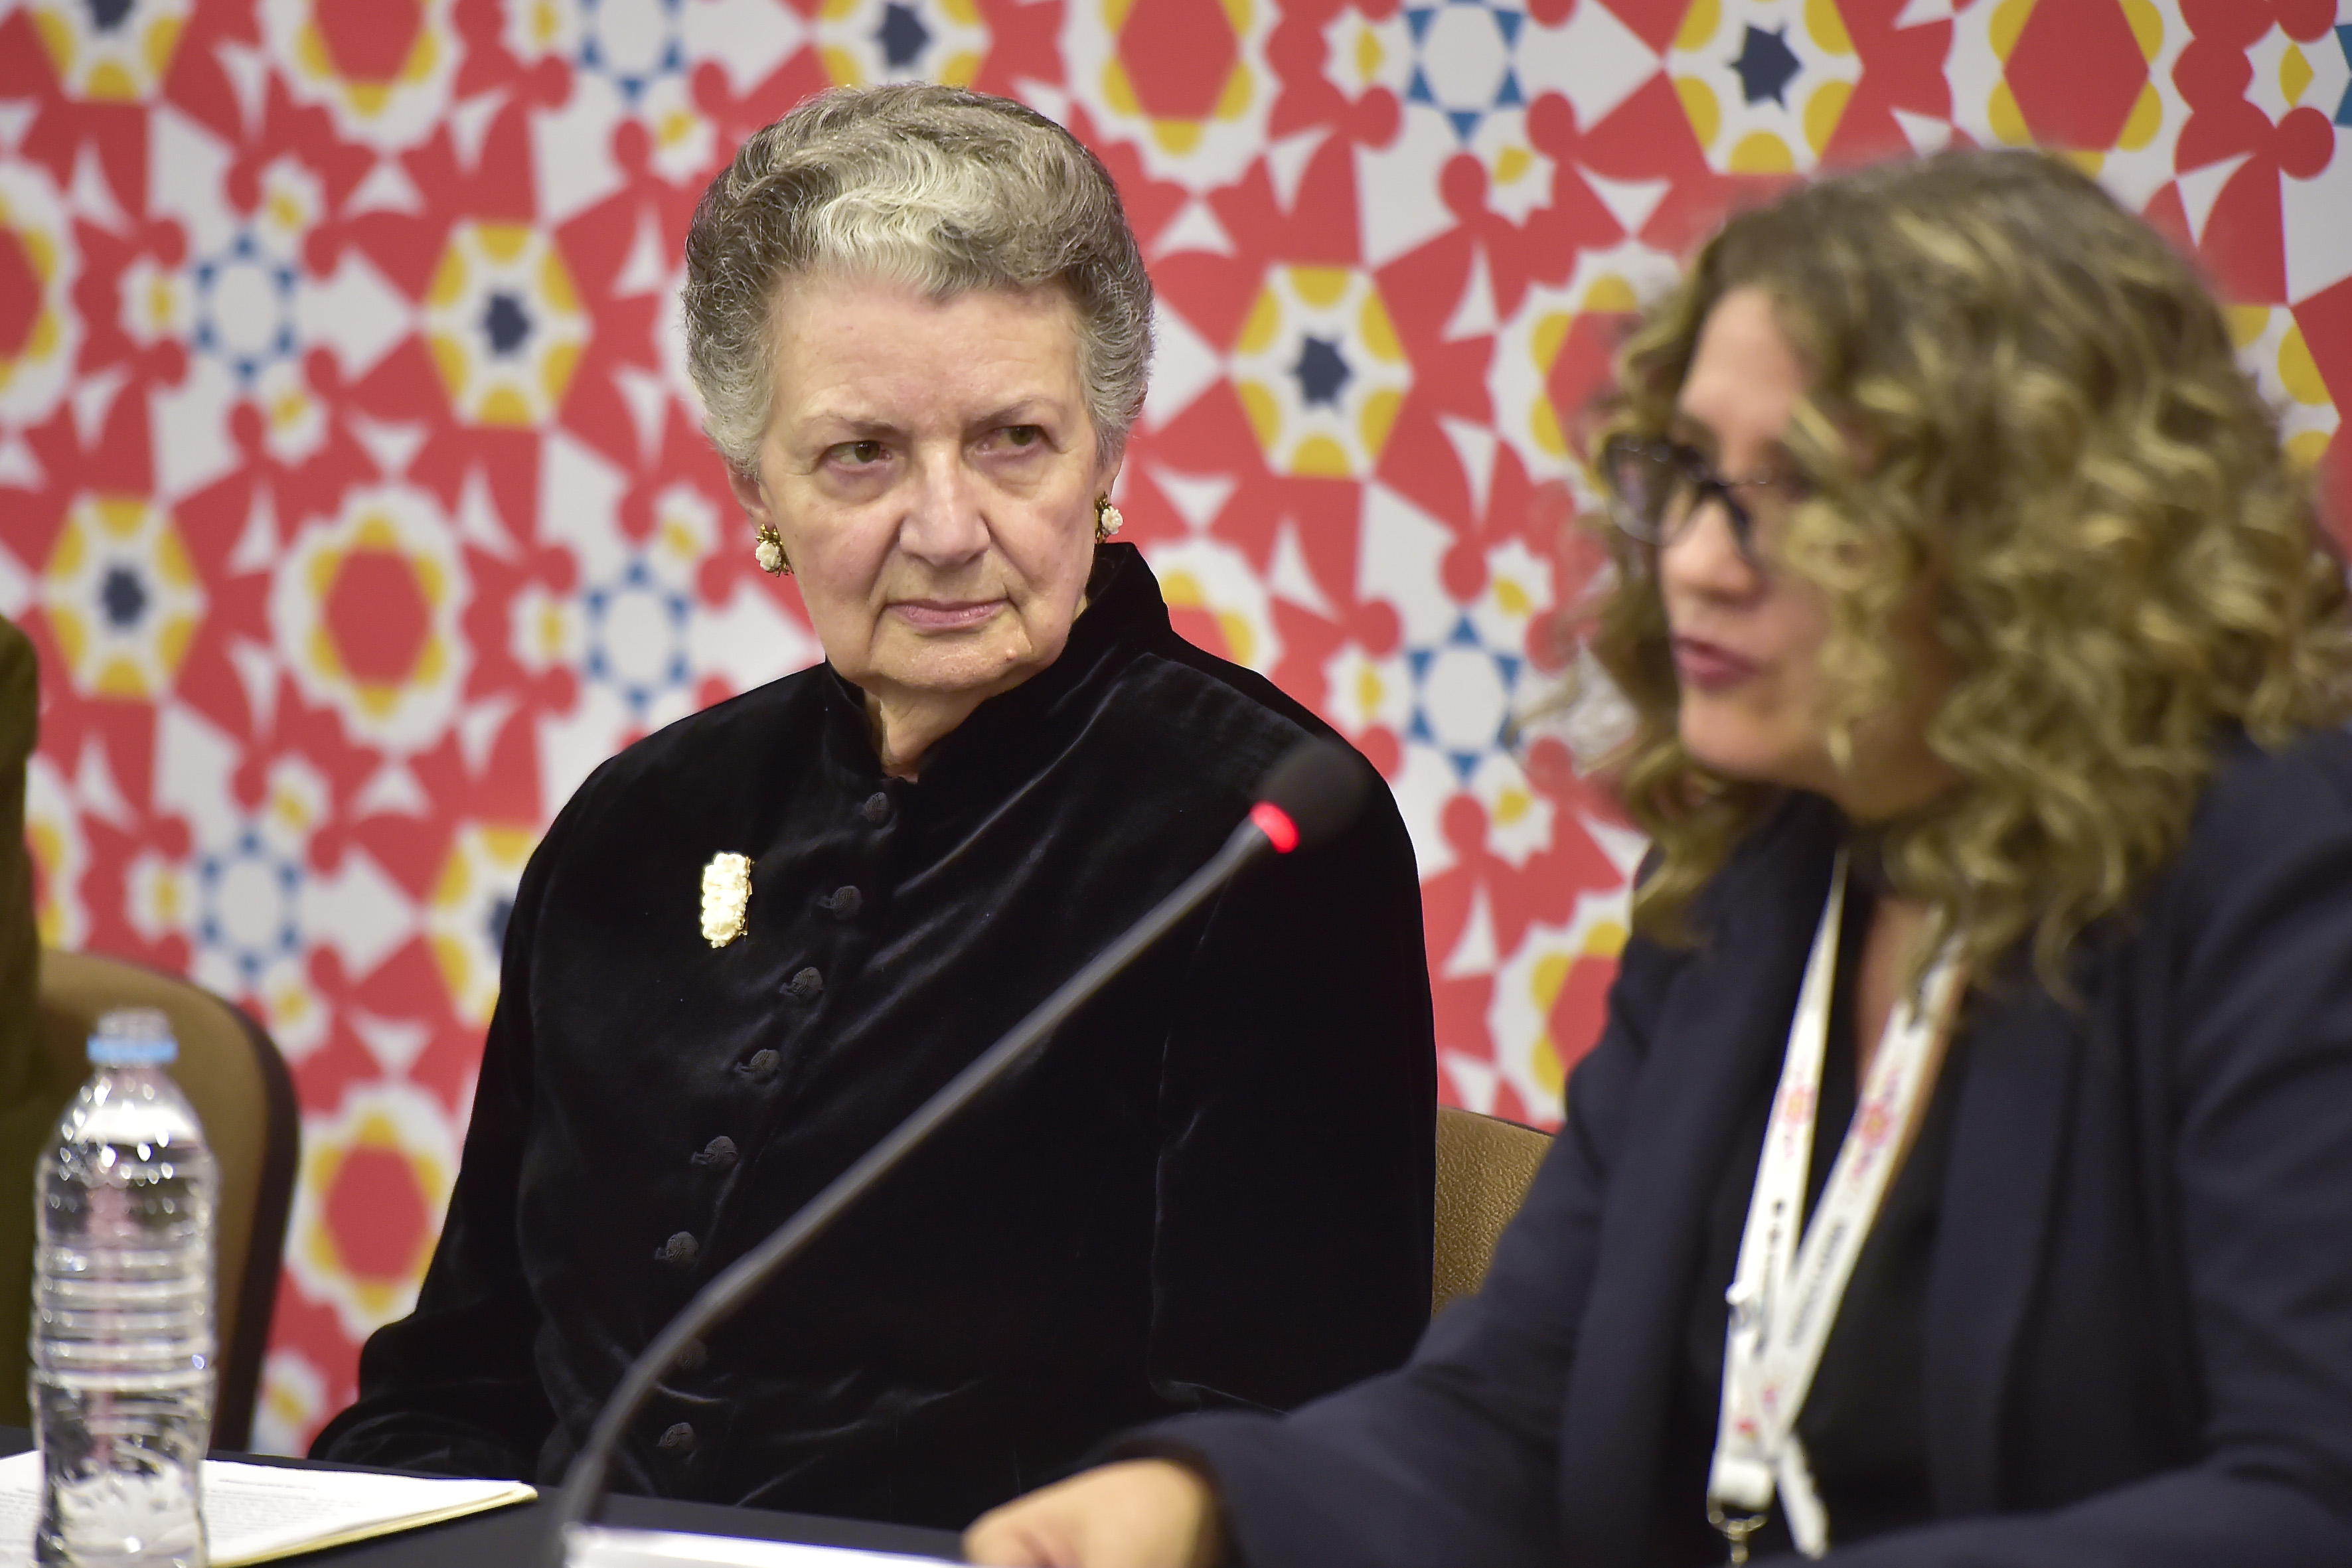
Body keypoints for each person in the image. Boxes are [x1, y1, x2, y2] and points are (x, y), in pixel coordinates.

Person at [966, 149, 2352, 1567]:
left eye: (1795, 488)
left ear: (2045, 531)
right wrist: (1200, 1503)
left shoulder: (2285, 879)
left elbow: (2309, 1494)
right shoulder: (1752, 884)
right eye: (1689, 474)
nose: (1693, 555)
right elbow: (1518, 1412)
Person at [311, 84, 1437, 1531]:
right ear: (755, 484)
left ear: (1108, 453)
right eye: (863, 454)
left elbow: (1269, 1451)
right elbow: (461, 1378)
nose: (948, 528)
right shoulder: (635, 825)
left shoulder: (1255, 836)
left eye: (1013, 438)